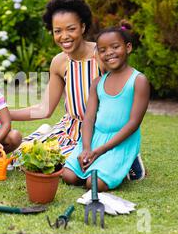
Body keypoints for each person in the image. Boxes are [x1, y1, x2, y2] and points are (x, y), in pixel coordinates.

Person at [10, 0, 146, 180]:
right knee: (26, 159)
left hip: (99, 133)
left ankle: (127, 156)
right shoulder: (59, 62)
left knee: (73, 168)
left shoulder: (101, 55)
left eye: (71, 29)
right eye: (57, 31)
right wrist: (4, 113)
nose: (64, 36)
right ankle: (45, 133)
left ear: (83, 27)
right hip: (70, 130)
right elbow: (44, 109)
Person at [62, 22, 150, 191]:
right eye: (102, 50)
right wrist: (87, 148)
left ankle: (130, 163)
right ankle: (100, 164)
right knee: (69, 176)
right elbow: (89, 119)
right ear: (98, 55)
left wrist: (100, 151)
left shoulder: (138, 81)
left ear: (128, 47)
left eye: (115, 47)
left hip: (120, 141)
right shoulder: (98, 83)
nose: (109, 53)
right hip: (95, 138)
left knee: (93, 184)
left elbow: (133, 123)